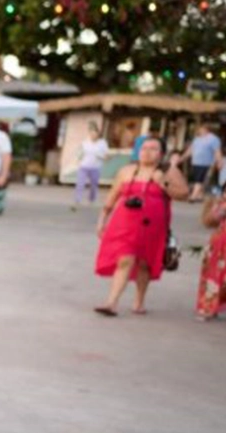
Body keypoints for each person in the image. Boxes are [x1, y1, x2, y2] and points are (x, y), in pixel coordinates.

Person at [93, 137, 190, 317]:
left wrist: (163, 183)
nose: (147, 152)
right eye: (144, 148)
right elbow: (112, 197)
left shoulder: (168, 171)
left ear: (161, 154)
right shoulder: (126, 171)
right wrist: (102, 220)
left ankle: (139, 301)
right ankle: (111, 302)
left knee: (145, 263)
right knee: (124, 259)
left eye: (153, 149)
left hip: (153, 225)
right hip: (124, 223)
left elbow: (184, 194)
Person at [196, 191, 226, 321]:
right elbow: (210, 220)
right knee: (214, 277)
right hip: (219, 244)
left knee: (217, 277)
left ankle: (211, 307)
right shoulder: (222, 205)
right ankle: (209, 307)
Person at [73, 122, 108, 211]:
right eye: (91, 133)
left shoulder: (102, 143)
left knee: (93, 185)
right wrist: (77, 160)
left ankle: (92, 199)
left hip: (95, 167)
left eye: (95, 133)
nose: (93, 135)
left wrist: (99, 155)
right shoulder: (85, 143)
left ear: (98, 134)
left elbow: (106, 156)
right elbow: (78, 153)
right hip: (84, 166)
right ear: (89, 133)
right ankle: (77, 200)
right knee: (80, 184)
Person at [188, 124, 222, 203]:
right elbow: (191, 150)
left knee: (199, 180)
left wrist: (219, 161)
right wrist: (182, 158)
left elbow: (217, 151)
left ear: (206, 129)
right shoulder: (197, 139)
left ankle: (193, 196)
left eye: (200, 129)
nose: (199, 131)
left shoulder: (213, 139)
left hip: (205, 163)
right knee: (199, 179)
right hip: (195, 162)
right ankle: (200, 195)